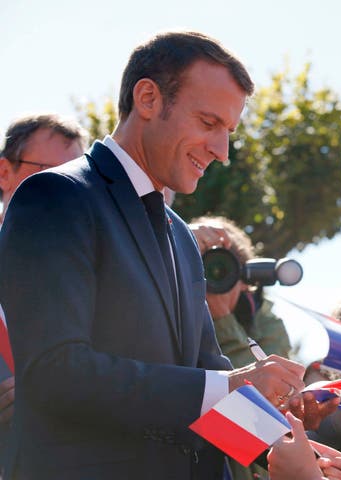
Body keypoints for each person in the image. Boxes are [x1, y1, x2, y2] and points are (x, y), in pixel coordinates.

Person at [0, 31, 306, 479]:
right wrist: (230, 384)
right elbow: (54, 374)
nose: (221, 152)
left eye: (228, 132)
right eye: (208, 122)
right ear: (147, 98)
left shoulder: (180, 234)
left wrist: (288, 446)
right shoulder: (54, 196)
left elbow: (206, 386)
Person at [0, 114, 87, 475]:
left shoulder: (102, 279)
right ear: (4, 173)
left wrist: (265, 451)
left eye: (79, 180)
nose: (65, 191)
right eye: (49, 173)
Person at [190, 215, 292, 366]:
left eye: (222, 271)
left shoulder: (268, 327)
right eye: (198, 268)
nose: (206, 281)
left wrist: (223, 322)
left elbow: (262, 385)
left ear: (245, 280)